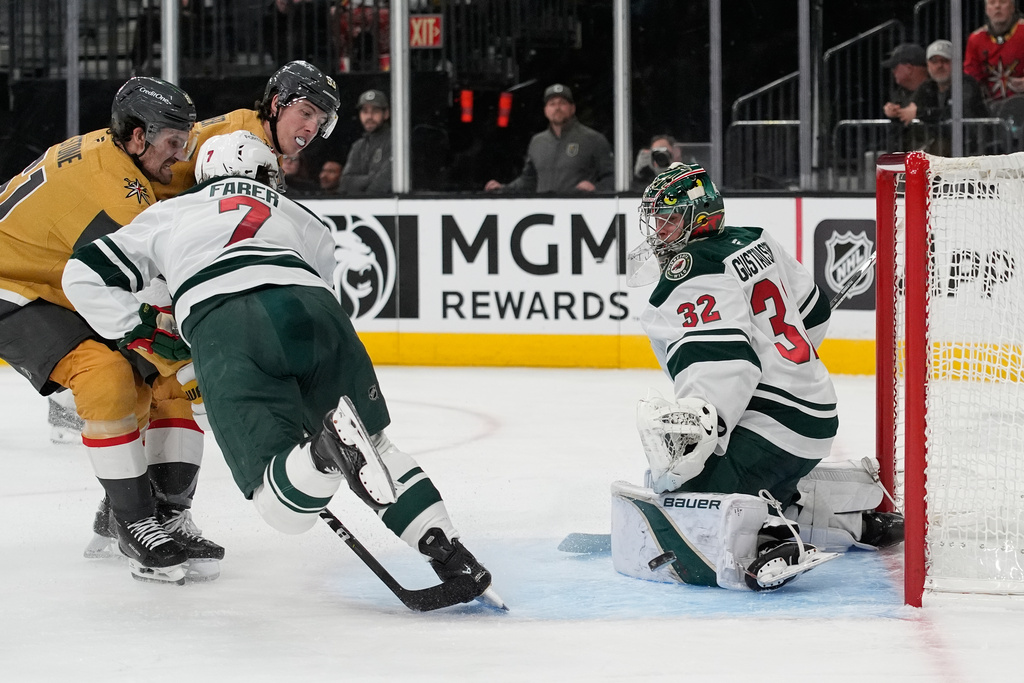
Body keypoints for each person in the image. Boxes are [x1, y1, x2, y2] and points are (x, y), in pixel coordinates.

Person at [62, 131, 505, 608]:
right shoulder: (303, 217)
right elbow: (310, 285)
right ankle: (450, 553)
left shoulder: (170, 212)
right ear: (267, 177)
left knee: (284, 509)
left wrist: (141, 329)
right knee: (376, 448)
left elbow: (81, 274)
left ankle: (321, 452)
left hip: (226, 322)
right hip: (316, 316)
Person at [611, 164, 904, 591]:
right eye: (656, 219)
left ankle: (767, 540)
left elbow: (725, 366)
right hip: (816, 415)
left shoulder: (692, 269)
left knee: (686, 495)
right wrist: (785, 368)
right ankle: (852, 521)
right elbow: (815, 314)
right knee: (761, 481)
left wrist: (699, 435)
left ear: (699, 216)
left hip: (771, 429)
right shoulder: (755, 240)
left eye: (669, 218)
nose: (659, 231)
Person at [0, 77, 224, 584]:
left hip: (59, 282)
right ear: (139, 137)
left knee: (167, 380)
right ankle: (132, 521)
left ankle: (158, 515)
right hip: (11, 285)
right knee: (109, 376)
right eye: (173, 143)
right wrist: (195, 363)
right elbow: (155, 290)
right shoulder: (112, 193)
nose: (181, 155)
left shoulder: (122, 154)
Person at [154, 59, 340, 200]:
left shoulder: (264, 139)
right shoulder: (242, 142)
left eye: (321, 121)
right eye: (306, 113)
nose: (312, 128)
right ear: (276, 104)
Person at [484, 83, 614, 194]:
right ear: (545, 110)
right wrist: (504, 189)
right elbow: (529, 180)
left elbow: (613, 177)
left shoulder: (593, 139)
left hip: (580, 215)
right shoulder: (537, 141)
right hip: (547, 216)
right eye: (552, 104)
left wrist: (597, 188)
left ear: (572, 108)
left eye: (562, 103)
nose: (557, 108)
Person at [905, 40, 990, 155]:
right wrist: (896, 112)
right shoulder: (928, 86)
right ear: (928, 65)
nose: (939, 66)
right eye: (934, 61)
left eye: (945, 61)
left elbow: (955, 114)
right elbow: (910, 109)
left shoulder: (967, 84)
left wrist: (920, 113)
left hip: (971, 148)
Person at [965, 0, 1024, 101]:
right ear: (986, 10)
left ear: (1012, 8)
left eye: (1003, 2)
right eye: (992, 3)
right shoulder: (975, 39)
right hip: (989, 108)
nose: (997, 6)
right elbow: (970, 78)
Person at [338, 89, 392, 195]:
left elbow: (384, 183)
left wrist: (362, 184)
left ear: (386, 113)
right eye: (365, 111)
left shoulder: (396, 141)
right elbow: (345, 183)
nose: (369, 116)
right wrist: (372, 177)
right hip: (362, 207)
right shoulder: (358, 146)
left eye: (375, 111)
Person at [881, 43, 930, 151]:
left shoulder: (934, 89)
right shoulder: (900, 93)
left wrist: (919, 113)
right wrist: (891, 112)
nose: (893, 71)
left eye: (895, 67)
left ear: (909, 68)